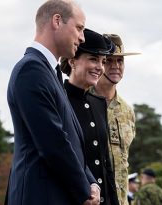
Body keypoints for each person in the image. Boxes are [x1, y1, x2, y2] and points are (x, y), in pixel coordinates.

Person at [6, 1, 101, 204]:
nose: (82, 37)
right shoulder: (31, 70)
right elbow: (53, 142)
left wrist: (92, 184)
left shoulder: (50, 72)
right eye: (79, 28)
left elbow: (71, 140)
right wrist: (84, 191)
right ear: (57, 21)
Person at [60, 28, 119, 205]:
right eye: (93, 59)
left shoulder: (98, 104)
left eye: (102, 61)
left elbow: (105, 165)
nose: (100, 67)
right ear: (73, 61)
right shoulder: (59, 100)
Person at [91, 33, 140, 205]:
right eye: (109, 60)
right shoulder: (80, 103)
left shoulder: (127, 111)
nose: (115, 66)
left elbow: (124, 161)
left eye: (120, 61)